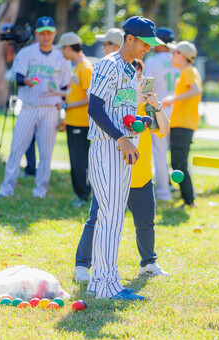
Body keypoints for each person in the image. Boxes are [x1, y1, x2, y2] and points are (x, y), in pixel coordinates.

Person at [85, 15, 164, 300]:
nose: (148, 48)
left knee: (113, 217)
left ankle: (101, 281)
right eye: (145, 42)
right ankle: (107, 285)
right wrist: (121, 138)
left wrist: (137, 121)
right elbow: (94, 107)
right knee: (110, 216)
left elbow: (119, 111)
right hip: (108, 146)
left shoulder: (131, 71)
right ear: (129, 38)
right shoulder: (109, 64)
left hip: (124, 149)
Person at [74, 59, 171, 282]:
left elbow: (164, 130)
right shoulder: (115, 102)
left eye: (138, 77)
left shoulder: (146, 104)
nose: (135, 81)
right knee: (96, 218)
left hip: (141, 174)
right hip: (112, 172)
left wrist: (156, 106)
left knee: (145, 222)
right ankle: (82, 266)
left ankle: (148, 263)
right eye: (130, 77)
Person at [0, 16, 71, 199]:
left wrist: (63, 113)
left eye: (49, 33)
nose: (46, 36)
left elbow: (64, 87)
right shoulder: (26, 53)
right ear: (36, 33)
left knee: (46, 152)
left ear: (54, 34)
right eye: (42, 33)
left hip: (51, 109)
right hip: (29, 106)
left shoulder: (62, 56)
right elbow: (18, 77)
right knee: (16, 149)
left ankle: (40, 191)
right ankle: (6, 189)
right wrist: (26, 80)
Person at [42, 32, 93, 207]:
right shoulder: (77, 66)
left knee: (80, 162)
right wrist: (58, 94)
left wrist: (65, 107)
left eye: (62, 49)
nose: (61, 53)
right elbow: (74, 94)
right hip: (73, 122)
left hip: (81, 123)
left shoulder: (85, 68)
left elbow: (90, 98)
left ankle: (83, 195)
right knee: (76, 160)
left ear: (68, 48)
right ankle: (80, 194)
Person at [161, 41, 202, 208]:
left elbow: (196, 90)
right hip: (181, 124)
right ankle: (187, 198)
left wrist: (172, 99)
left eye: (174, 53)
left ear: (182, 56)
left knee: (179, 164)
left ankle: (189, 200)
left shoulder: (189, 71)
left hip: (183, 125)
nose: (171, 56)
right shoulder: (186, 72)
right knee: (178, 164)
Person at [144, 27, 179, 201]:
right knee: (175, 155)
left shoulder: (153, 61)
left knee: (159, 153)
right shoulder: (179, 59)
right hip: (178, 113)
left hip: (160, 111)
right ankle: (173, 188)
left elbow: (145, 89)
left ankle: (164, 191)